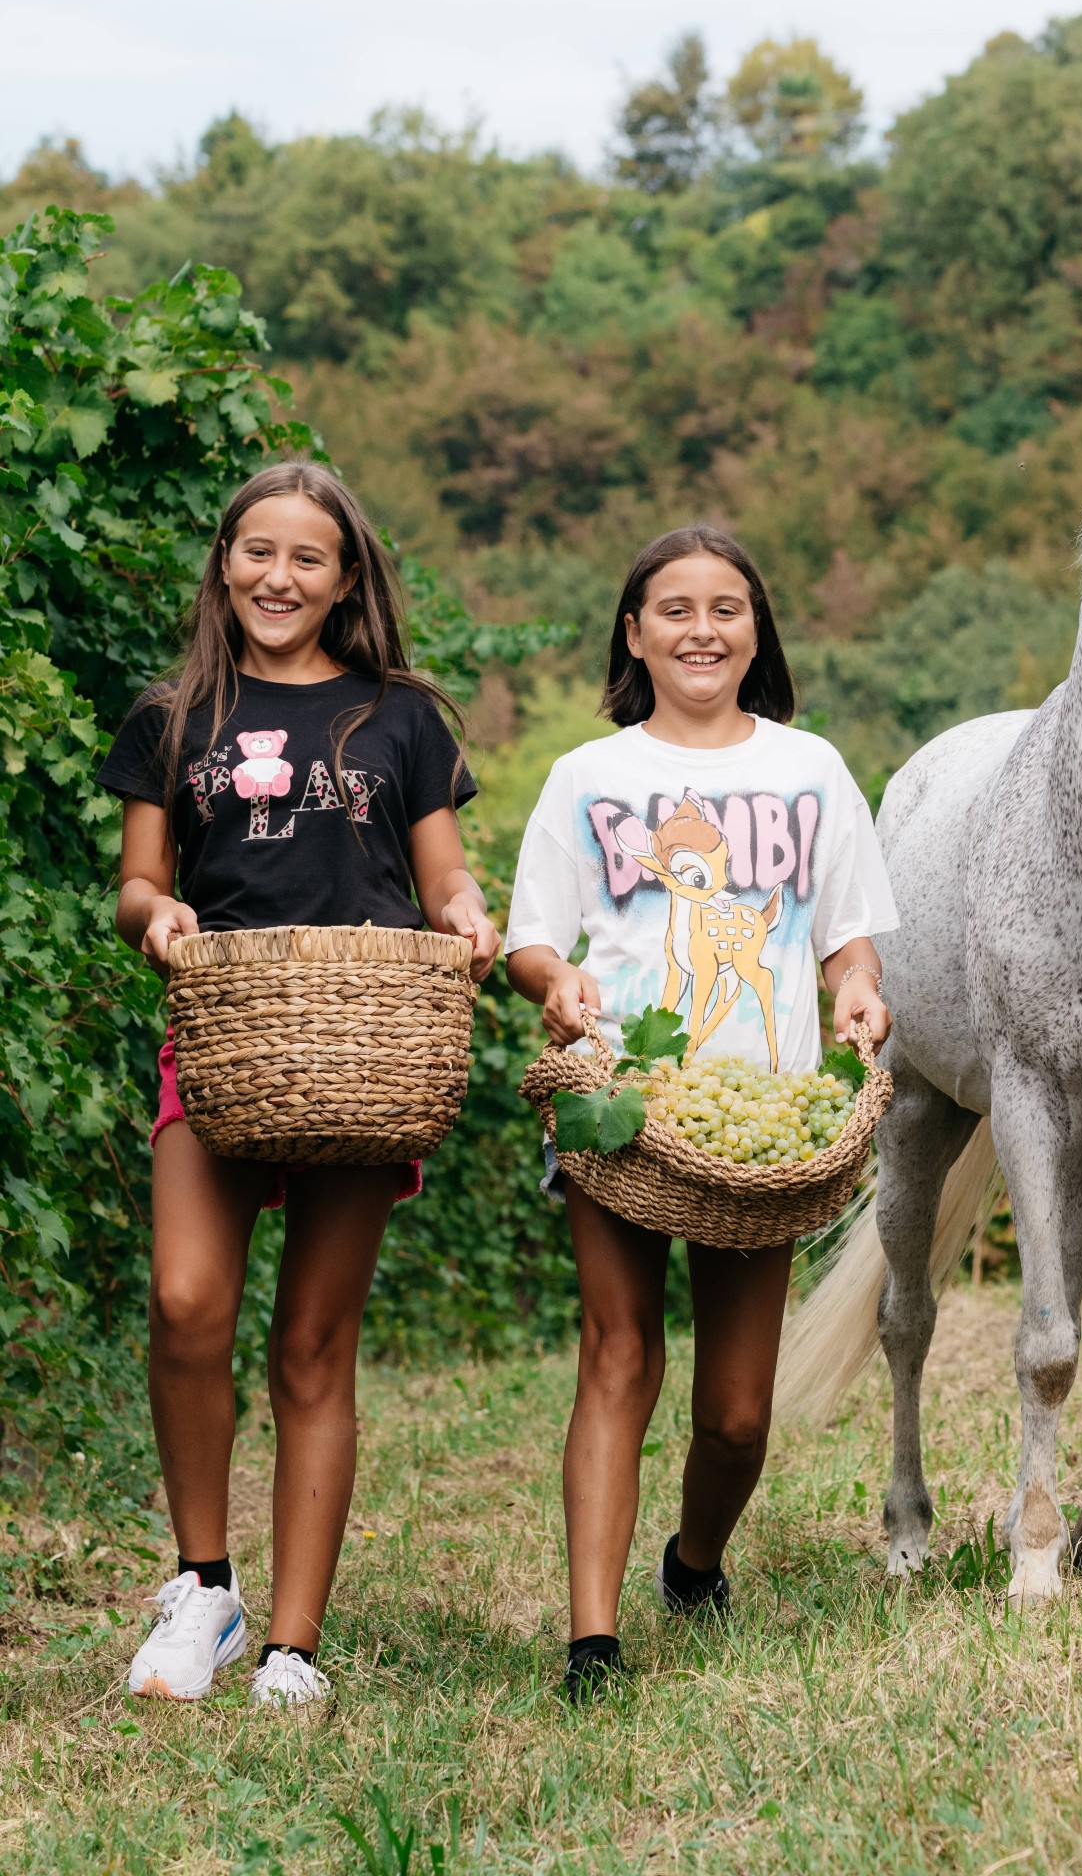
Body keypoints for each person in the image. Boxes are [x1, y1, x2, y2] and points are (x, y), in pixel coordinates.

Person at [102, 462, 499, 1707]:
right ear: (225, 562)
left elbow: (444, 882)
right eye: (258, 551)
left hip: (367, 1047)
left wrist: (473, 917)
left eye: (308, 558)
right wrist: (157, 915)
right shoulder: (174, 716)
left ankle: (292, 1645)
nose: (280, 576)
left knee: (316, 1342)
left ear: (345, 579)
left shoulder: (401, 718)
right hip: (223, 1040)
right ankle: (205, 1588)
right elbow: (138, 882)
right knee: (184, 1303)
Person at [504, 525, 896, 1702]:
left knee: (732, 1415)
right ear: (634, 633)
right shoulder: (590, 778)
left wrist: (860, 992)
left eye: (727, 607)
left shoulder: (812, 768)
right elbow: (532, 935)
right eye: (674, 608)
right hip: (623, 1101)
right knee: (616, 1355)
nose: (701, 629)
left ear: (757, 630)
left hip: (761, 1124)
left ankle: (695, 1559)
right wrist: (554, 986)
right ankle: (592, 1642)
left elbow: (847, 938)